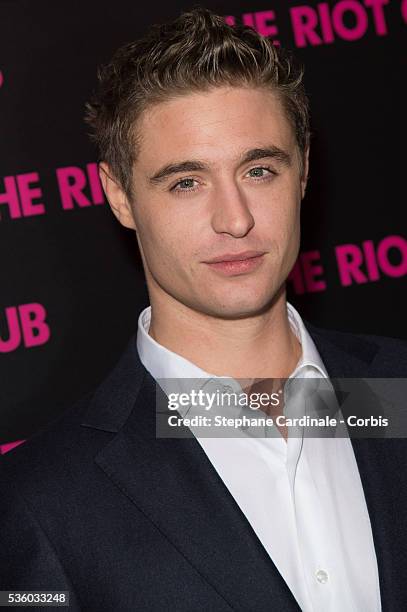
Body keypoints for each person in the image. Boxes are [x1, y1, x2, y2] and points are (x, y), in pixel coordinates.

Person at [1, 7, 406, 611]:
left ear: (303, 172)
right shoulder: (43, 499)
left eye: (260, 169)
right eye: (186, 182)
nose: (235, 218)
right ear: (120, 196)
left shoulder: (394, 391)